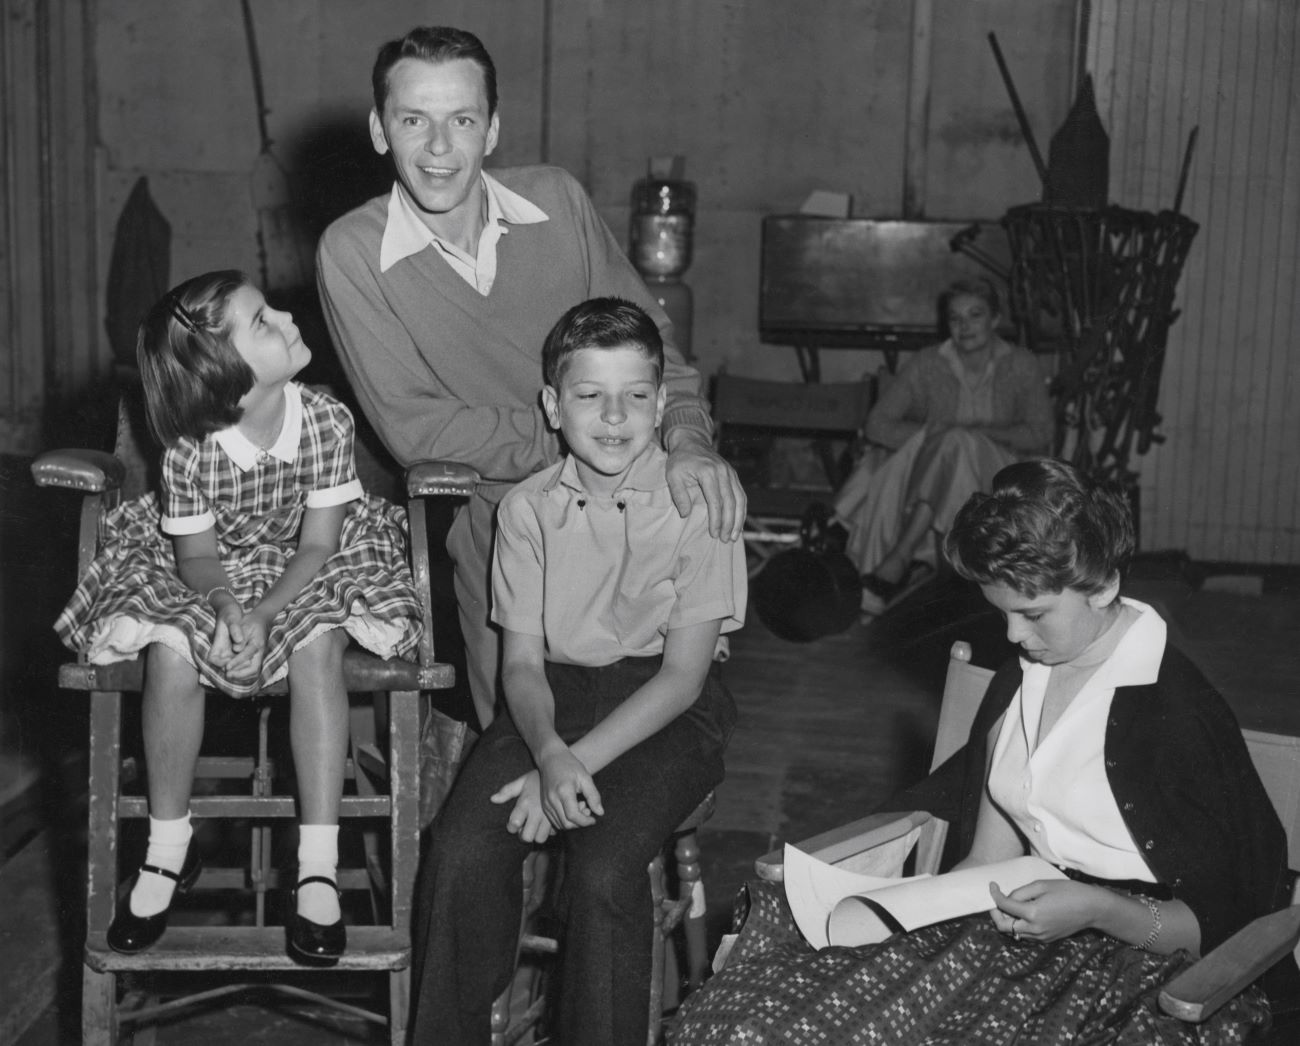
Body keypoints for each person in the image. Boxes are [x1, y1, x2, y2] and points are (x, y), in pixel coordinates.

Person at [671, 458, 1297, 1045]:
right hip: (1024, 926)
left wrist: (1101, 909)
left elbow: (1224, 930)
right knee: (749, 1019)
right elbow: (989, 861)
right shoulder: (1027, 672)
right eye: (1003, 613)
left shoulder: (1177, 713)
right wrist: (893, 918)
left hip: (1139, 969)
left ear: (1103, 585)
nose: (1014, 635)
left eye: (1034, 613)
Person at [316, 25, 743, 731]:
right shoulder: (353, 250)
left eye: (462, 120)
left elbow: (655, 349)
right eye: (414, 120)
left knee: (657, 744)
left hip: (640, 500)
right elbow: (416, 429)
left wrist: (689, 438)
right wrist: (587, 441)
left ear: (492, 130)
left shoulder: (557, 200)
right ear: (379, 130)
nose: (439, 147)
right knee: (526, 750)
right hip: (505, 518)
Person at [54, 270, 423, 963]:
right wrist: (227, 606)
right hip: (214, 566)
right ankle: (169, 846)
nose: (287, 316)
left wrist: (269, 613)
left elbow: (318, 546)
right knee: (172, 650)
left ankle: (317, 862)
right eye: (262, 321)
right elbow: (195, 556)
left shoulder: (325, 422)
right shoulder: (190, 449)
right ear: (227, 382)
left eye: (270, 309)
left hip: (309, 560)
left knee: (318, 643)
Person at [410, 298, 746, 1045]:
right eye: (590, 395)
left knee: (603, 868)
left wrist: (570, 766)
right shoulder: (526, 510)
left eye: (636, 396)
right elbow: (521, 666)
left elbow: (683, 679)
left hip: (665, 705)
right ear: (553, 407)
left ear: (660, 403)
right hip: (550, 701)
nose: (615, 416)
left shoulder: (699, 504)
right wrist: (549, 753)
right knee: (461, 850)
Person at [828, 277, 1053, 617]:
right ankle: (933, 573)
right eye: (955, 318)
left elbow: (1040, 432)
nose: (964, 326)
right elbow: (877, 424)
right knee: (952, 445)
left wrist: (976, 434)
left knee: (958, 441)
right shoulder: (927, 363)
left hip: (1000, 476)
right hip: (936, 473)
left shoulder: (1022, 364)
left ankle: (900, 558)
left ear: (995, 319)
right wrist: (934, 436)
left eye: (975, 315)